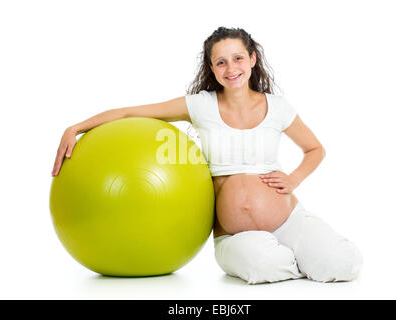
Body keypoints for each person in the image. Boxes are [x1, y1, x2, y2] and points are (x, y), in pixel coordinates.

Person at [52, 27, 363, 284]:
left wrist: (293, 179)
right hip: (233, 234)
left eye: (238, 58)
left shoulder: (277, 107)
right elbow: (132, 112)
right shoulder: (200, 105)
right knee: (263, 266)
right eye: (221, 63)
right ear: (212, 69)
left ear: (252, 59)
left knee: (343, 263)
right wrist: (76, 127)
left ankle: (305, 253)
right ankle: (296, 259)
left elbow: (315, 149)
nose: (231, 69)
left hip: (288, 219)